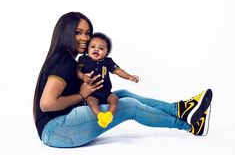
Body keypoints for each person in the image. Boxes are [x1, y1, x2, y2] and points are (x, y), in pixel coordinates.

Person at [33, 11, 213, 148]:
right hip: (56, 130)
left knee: (122, 95)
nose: (85, 38)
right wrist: (81, 95)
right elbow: (47, 104)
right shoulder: (64, 62)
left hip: (60, 126)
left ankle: (180, 109)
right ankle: (189, 125)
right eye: (78, 33)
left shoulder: (67, 59)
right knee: (128, 106)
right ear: (65, 33)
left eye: (88, 33)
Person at [77, 32, 139, 128]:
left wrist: (129, 76)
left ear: (106, 53)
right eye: (92, 46)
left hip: (105, 92)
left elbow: (118, 70)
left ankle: (109, 115)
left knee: (114, 98)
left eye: (101, 48)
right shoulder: (83, 60)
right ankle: (100, 116)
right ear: (87, 49)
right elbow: (77, 71)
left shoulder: (108, 61)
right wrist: (82, 76)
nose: (96, 49)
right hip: (90, 94)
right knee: (91, 102)